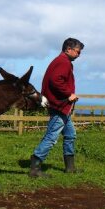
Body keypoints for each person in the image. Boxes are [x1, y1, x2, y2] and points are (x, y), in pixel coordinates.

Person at [29, 37, 84, 178]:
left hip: (62, 106)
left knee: (70, 135)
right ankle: (35, 165)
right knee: (52, 136)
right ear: (68, 49)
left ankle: (70, 168)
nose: (79, 55)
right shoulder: (63, 62)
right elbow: (55, 80)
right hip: (59, 105)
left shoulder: (61, 61)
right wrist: (69, 94)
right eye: (78, 52)